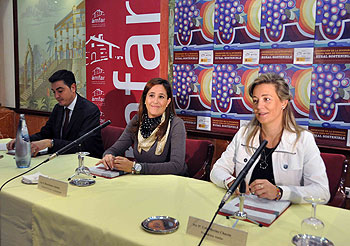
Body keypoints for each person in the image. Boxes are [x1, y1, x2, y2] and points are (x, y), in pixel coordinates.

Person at [210, 73, 330, 203]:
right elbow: (217, 171)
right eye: (255, 100)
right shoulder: (243, 134)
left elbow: (322, 192)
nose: (259, 107)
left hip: (285, 213)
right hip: (244, 207)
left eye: (266, 99)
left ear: (283, 103)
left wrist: (279, 192)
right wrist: (231, 182)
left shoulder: (304, 139)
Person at [97, 78, 187, 175]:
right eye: (151, 95)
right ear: (145, 99)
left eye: (161, 97)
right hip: (143, 180)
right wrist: (108, 156)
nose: (155, 101)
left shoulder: (176, 124)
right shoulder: (137, 120)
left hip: (172, 182)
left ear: (168, 102)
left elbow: (176, 166)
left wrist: (135, 167)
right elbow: (114, 149)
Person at [7, 70, 104, 158]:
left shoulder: (89, 110)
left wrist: (51, 143)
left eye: (60, 91)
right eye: (54, 92)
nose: (56, 96)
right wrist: (23, 140)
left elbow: (82, 145)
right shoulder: (58, 108)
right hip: (61, 158)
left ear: (73, 87)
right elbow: (45, 134)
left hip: (85, 161)